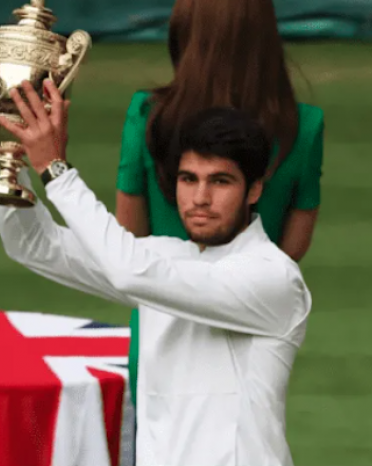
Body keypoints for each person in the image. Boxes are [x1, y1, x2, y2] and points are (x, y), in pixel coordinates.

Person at [0, 77, 311, 466]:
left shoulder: (272, 278)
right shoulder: (165, 261)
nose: (200, 198)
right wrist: (3, 141)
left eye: (220, 181)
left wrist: (57, 171)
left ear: (253, 191)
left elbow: (131, 273)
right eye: (189, 179)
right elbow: (33, 244)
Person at [115, 0, 325, 408]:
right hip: (247, 332)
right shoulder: (305, 125)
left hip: (161, 331)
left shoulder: (147, 114)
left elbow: (130, 235)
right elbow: (292, 248)